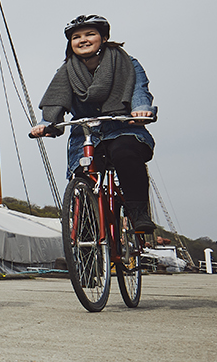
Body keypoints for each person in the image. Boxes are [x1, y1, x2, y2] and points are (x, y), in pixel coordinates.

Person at [31, 14, 158, 232]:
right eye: (76, 37)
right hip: (86, 134)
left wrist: (140, 109)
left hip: (122, 127)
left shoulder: (127, 63)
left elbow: (139, 89)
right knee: (83, 175)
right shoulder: (66, 72)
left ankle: (138, 212)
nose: (83, 40)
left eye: (90, 34)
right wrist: (46, 123)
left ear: (104, 37)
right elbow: (56, 100)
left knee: (125, 153)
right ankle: (84, 242)